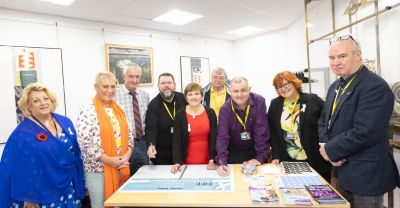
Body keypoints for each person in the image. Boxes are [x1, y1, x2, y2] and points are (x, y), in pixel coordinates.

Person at [318, 35, 400, 208]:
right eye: (332, 58)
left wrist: (331, 150)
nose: (336, 62)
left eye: (342, 56)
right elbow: (324, 121)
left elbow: (365, 131)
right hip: (341, 169)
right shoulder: (334, 87)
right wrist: (328, 150)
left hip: (367, 175)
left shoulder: (374, 86)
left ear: (358, 55)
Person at [0, 83, 85, 208]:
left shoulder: (65, 122)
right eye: (36, 100)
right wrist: (29, 196)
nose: (43, 103)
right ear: (28, 106)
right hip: (42, 192)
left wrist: (80, 182)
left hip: (68, 185)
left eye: (46, 98)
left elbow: (75, 154)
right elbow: (20, 167)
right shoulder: (23, 132)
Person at [76, 72, 133, 208]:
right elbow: (85, 142)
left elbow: (129, 135)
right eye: (105, 86)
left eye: (113, 87)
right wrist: (108, 159)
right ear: (96, 87)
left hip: (121, 166)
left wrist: (127, 154)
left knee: (120, 205)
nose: (110, 90)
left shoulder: (120, 109)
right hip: (98, 170)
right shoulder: (87, 110)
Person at [268, 71, 331, 182]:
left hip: (314, 160)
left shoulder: (312, 100)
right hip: (288, 160)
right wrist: (276, 155)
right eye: (279, 87)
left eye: (286, 84)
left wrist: (326, 143)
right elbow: (273, 132)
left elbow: (328, 120)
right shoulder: (275, 105)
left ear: (294, 83)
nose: (283, 89)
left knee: (318, 194)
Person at [216, 76, 270, 176]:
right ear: (230, 91)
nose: (239, 95)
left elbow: (261, 131)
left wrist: (260, 158)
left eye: (243, 90)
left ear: (249, 90)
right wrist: (222, 162)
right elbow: (222, 137)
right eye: (236, 91)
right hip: (233, 154)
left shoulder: (259, 101)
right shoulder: (225, 109)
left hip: (256, 152)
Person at [171, 83, 218, 173]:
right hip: (186, 164)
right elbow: (176, 141)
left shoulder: (210, 113)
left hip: (209, 164)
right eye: (190, 94)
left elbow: (214, 138)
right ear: (186, 98)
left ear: (201, 96)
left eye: (196, 94)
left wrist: (212, 160)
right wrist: (177, 162)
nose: (194, 97)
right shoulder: (180, 115)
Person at [115, 63, 150, 175]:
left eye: (137, 77)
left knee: (144, 173)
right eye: (131, 76)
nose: (134, 80)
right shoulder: (115, 95)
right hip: (124, 143)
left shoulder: (144, 95)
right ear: (124, 76)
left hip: (142, 142)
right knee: (126, 174)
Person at [146, 73, 188, 164]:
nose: (166, 85)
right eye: (163, 83)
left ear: (174, 85)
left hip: (184, 150)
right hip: (163, 154)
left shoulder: (183, 98)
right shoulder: (153, 105)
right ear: (158, 86)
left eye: (169, 82)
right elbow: (151, 129)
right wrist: (151, 145)